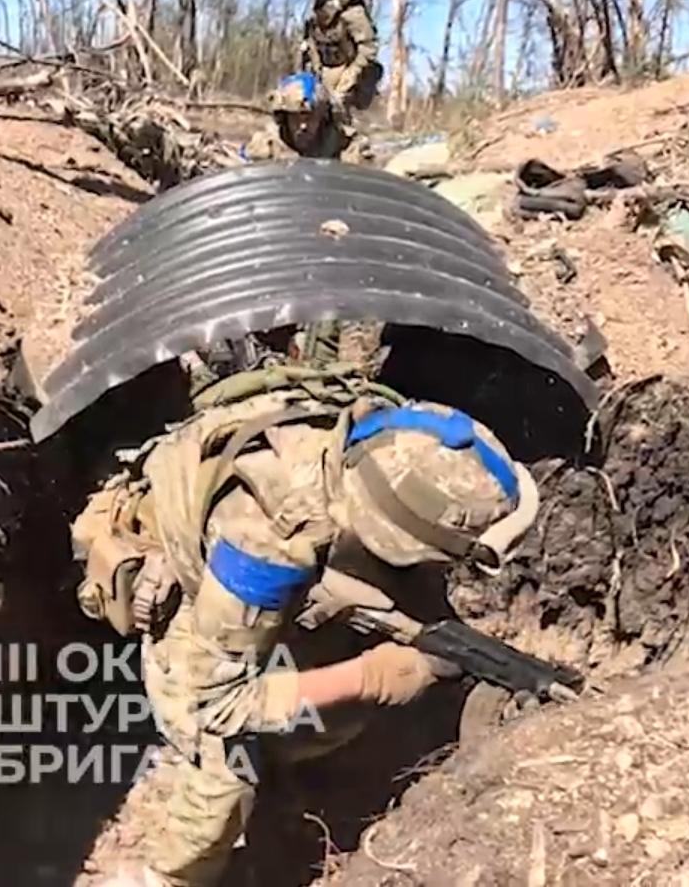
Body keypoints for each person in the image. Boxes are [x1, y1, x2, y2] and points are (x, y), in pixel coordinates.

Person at [73, 365, 537, 887]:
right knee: (227, 769)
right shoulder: (267, 544)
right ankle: (167, 875)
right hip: (191, 588)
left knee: (323, 692)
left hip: (266, 549)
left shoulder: (392, 442)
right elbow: (219, 703)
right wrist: (375, 678)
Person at [298, 0, 382, 134]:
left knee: (339, 120)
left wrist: (350, 78)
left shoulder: (352, 14)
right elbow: (310, 45)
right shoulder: (316, 19)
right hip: (324, 74)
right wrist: (315, 70)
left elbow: (368, 48)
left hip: (348, 72)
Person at [240, 71, 354, 162]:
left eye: (310, 118)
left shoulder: (343, 145)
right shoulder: (268, 144)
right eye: (295, 118)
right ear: (284, 119)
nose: (303, 126)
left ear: (323, 118)